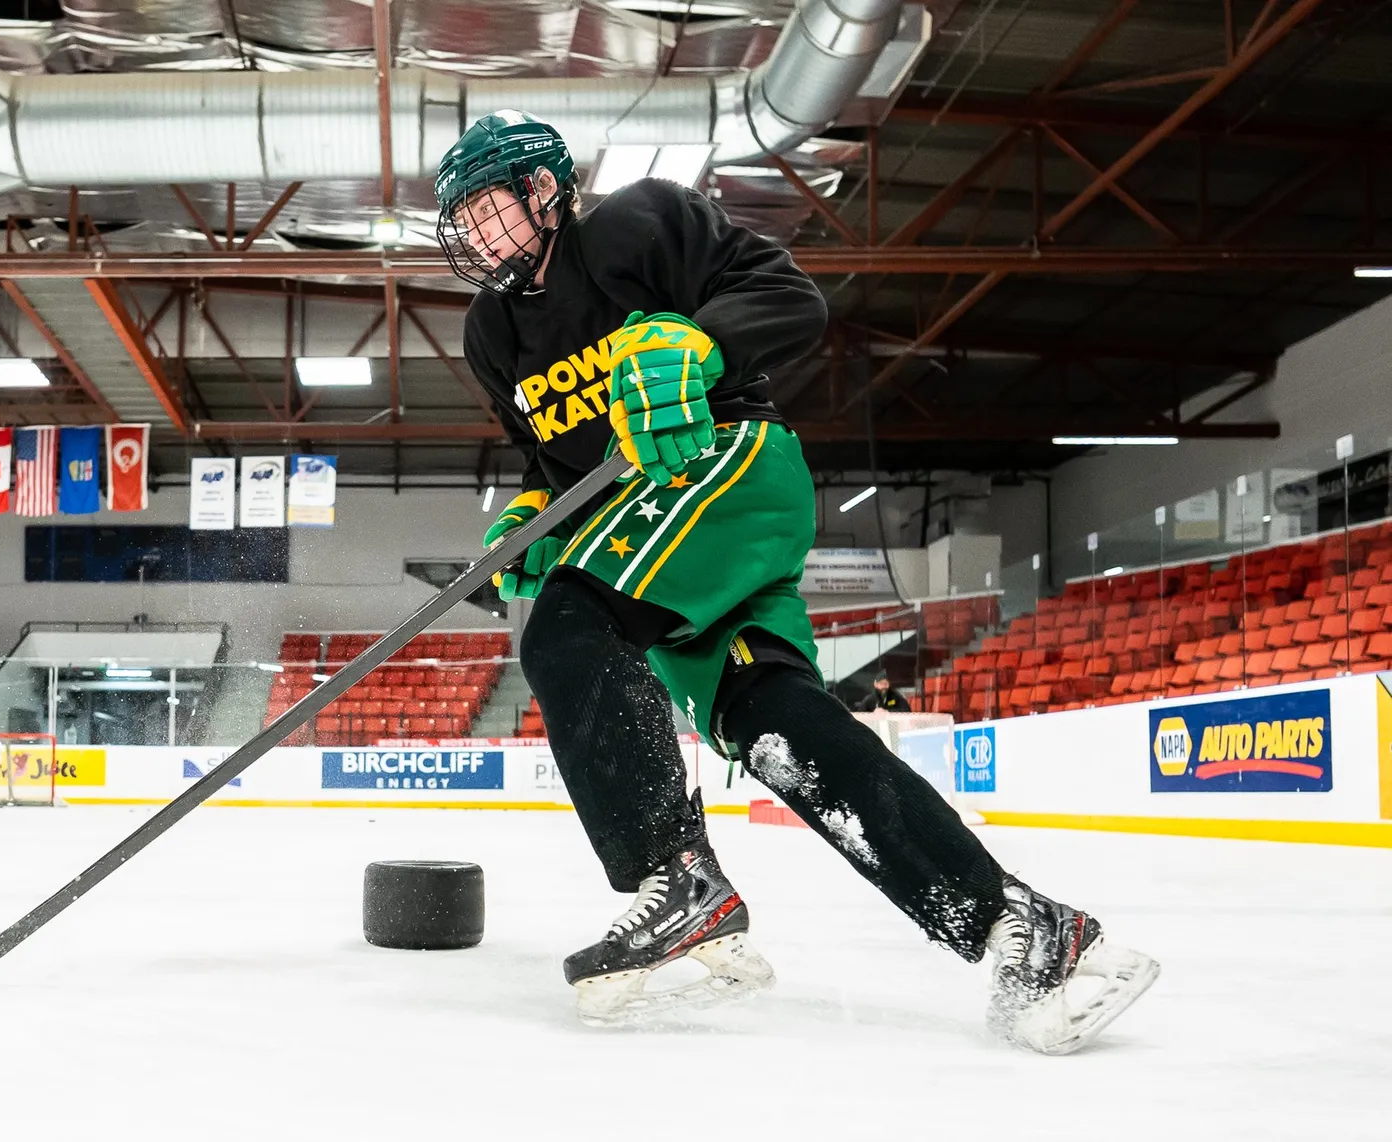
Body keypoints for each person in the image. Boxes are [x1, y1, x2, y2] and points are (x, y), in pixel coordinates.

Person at [438, 110, 1157, 1051]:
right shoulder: (492, 332)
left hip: (721, 470)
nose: (476, 236)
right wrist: (531, 520)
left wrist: (699, 344)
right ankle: (1024, 929)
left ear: (544, 191)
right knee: (780, 728)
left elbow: (787, 298)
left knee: (569, 628)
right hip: (640, 522)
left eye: (490, 210)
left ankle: (677, 878)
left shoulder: (634, 226)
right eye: (464, 222)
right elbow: (555, 467)